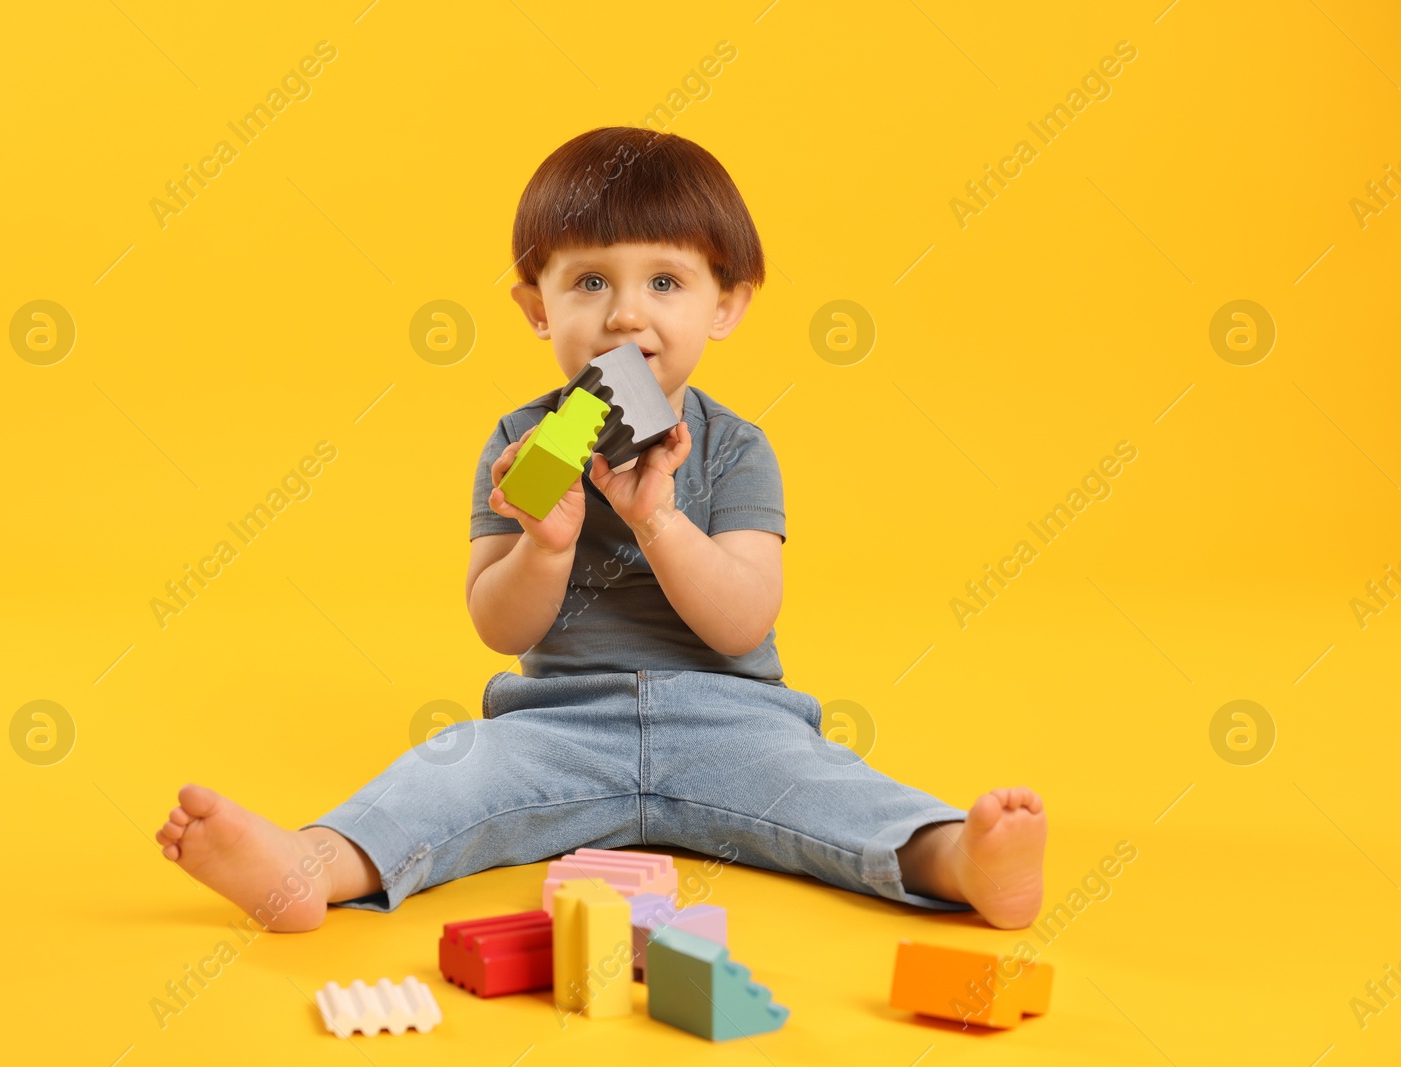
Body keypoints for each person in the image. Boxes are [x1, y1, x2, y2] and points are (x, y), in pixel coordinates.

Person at [155, 126, 1046, 933]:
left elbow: (742, 621)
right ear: (537, 309)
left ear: (725, 305)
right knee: (444, 774)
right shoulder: (521, 444)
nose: (625, 314)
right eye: (589, 282)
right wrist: (545, 544)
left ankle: (962, 863)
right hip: (556, 725)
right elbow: (498, 628)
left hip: (731, 720)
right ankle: (312, 865)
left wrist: (656, 515)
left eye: (665, 282)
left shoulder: (735, 450)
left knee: (833, 792)